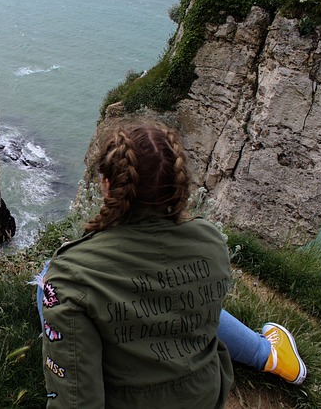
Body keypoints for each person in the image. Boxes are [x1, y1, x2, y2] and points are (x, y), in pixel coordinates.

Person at [35, 121, 306, 408]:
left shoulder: (70, 274)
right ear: (178, 182)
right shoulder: (211, 242)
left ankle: (268, 354)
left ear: (108, 185)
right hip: (205, 394)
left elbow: (77, 402)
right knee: (176, 283)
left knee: (47, 282)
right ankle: (270, 356)